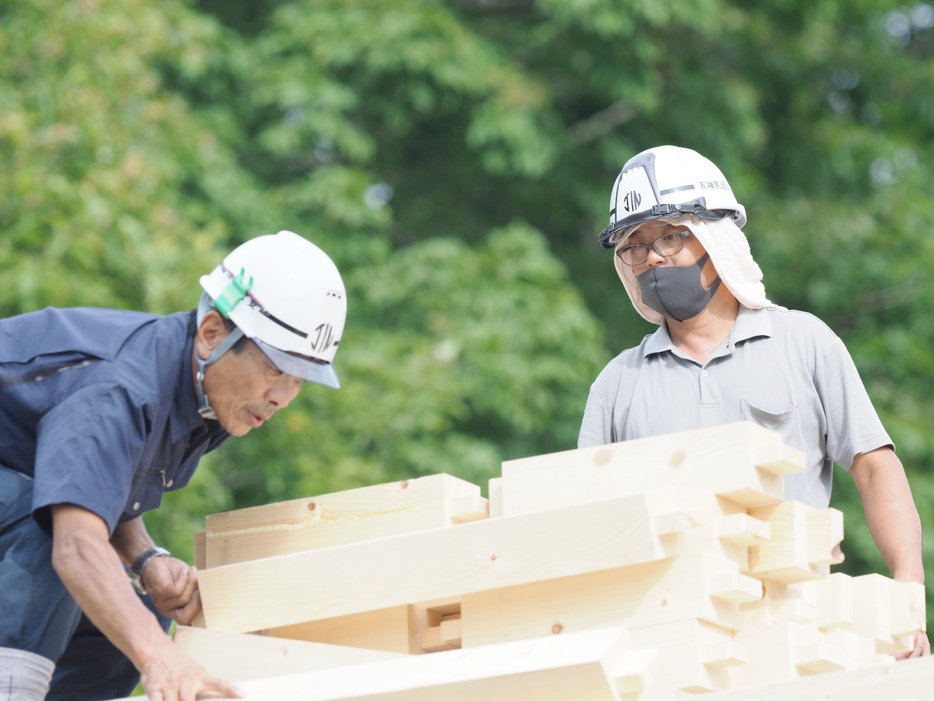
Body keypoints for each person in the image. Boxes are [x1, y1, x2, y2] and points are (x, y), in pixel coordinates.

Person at [579, 145, 928, 658]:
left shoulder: (804, 341)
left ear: (716, 236)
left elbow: (876, 470)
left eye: (672, 235)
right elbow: (585, 523)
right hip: (665, 643)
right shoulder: (615, 385)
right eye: (636, 245)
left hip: (800, 627)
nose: (654, 256)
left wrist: (907, 594)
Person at [0, 230, 347, 700]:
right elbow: (75, 542)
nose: (282, 397)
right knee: (57, 539)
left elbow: (95, 485)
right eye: (275, 369)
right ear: (211, 334)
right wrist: (158, 656)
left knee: (134, 604)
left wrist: (146, 561)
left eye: (300, 380)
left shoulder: (215, 402)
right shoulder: (121, 390)